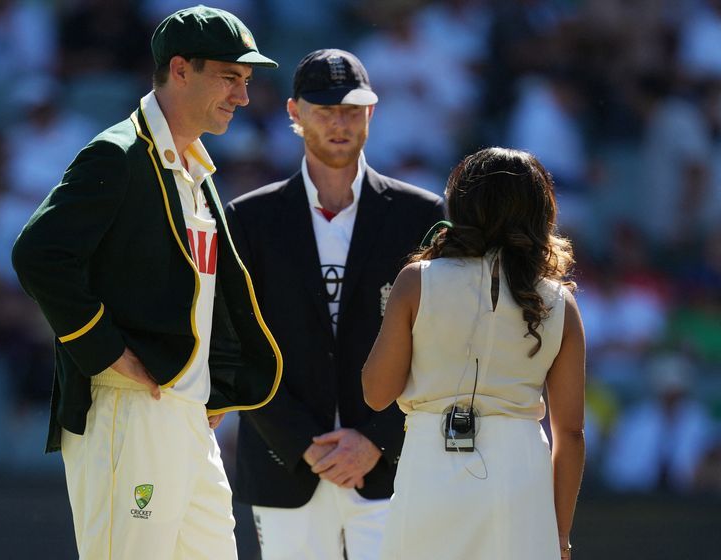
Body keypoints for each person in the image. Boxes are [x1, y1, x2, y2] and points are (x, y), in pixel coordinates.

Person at [11, 7, 282, 559]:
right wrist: (104, 351)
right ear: (180, 69)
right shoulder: (117, 154)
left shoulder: (194, 166)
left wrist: (217, 381)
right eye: (231, 78)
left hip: (187, 417)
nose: (244, 96)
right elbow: (38, 254)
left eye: (247, 81)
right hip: (129, 411)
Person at [225, 49, 445, 560]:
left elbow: (440, 344)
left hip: (392, 466)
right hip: (285, 466)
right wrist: (304, 440)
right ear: (294, 114)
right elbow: (234, 347)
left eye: (351, 109)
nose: (339, 123)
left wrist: (376, 439)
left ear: (372, 112)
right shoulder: (249, 219)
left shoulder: (422, 214)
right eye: (324, 111)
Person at [362, 147, 586, 560]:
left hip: (431, 465)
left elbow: (376, 393)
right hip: (520, 472)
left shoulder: (416, 281)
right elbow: (570, 434)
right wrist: (559, 535)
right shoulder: (561, 302)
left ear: (461, 204)